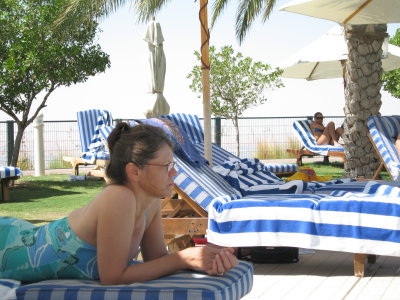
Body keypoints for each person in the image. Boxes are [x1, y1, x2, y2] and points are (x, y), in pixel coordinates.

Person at [0, 122, 238, 284]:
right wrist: (183, 258)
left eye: (173, 165)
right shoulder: (119, 197)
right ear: (134, 171)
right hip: (9, 243)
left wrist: (206, 257)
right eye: (166, 166)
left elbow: (157, 261)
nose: (174, 174)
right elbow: (112, 277)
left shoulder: (150, 202)